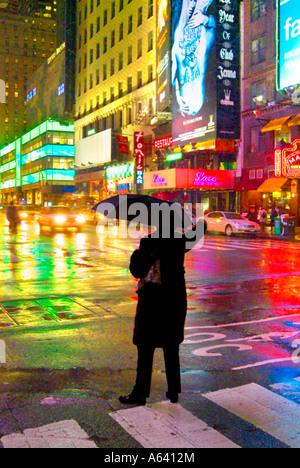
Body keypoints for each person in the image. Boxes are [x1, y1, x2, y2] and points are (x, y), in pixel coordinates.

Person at [119, 217, 206, 406]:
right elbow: (199, 232)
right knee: (171, 347)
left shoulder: (149, 241)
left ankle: (140, 393)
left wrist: (140, 253)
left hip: (151, 301)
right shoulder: (179, 242)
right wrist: (201, 222)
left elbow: (136, 270)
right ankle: (173, 391)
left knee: (145, 347)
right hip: (173, 301)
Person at [172, 0, 216, 116]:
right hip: (184, 109)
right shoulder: (177, 33)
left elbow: (222, 29)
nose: (192, 4)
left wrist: (205, 19)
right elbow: (172, 73)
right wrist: (176, 95)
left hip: (208, 108)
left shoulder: (207, 29)